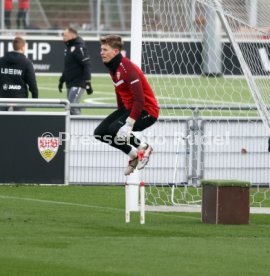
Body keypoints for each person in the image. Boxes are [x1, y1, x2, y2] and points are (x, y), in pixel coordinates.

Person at [94, 35, 159, 175]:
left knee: (114, 129)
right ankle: (134, 155)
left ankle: (144, 148)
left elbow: (140, 100)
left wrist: (128, 124)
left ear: (116, 52)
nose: (101, 52)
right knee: (99, 133)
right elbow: (119, 90)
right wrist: (120, 113)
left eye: (105, 49)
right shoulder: (112, 67)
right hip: (129, 108)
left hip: (146, 111)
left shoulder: (127, 68)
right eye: (101, 49)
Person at [58, 27, 93, 115]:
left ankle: (78, 127)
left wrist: (87, 82)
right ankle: (72, 128)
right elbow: (68, 67)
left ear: (72, 36)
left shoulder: (79, 47)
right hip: (70, 83)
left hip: (78, 83)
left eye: (65, 35)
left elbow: (87, 64)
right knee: (71, 107)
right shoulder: (68, 48)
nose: (63, 37)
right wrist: (61, 80)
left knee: (71, 106)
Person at [0, 36, 38, 111]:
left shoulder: (1, 60)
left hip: (2, 98)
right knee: (20, 121)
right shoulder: (26, 62)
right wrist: (35, 98)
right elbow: (32, 82)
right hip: (19, 99)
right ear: (23, 47)